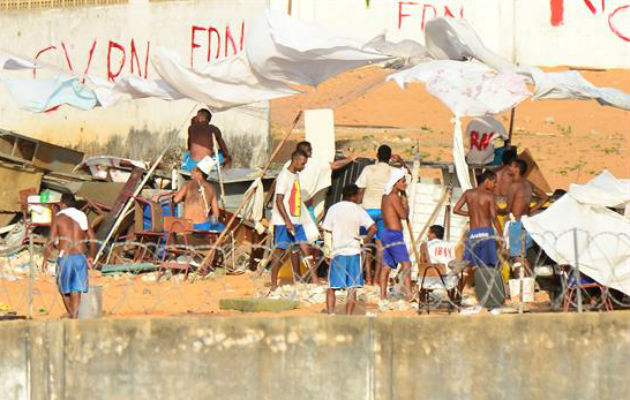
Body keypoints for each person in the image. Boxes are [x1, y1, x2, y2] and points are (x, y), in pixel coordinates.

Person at [321, 184, 376, 314]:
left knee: (332, 287)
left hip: (337, 252)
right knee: (352, 288)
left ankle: (330, 314)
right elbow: (373, 228)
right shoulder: (358, 210)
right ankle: (348, 317)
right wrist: (364, 241)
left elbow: (327, 231)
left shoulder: (333, 209)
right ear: (354, 196)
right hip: (354, 252)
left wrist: (327, 252)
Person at [270, 150, 320, 290]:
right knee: (280, 251)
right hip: (283, 221)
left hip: (296, 220)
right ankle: (274, 282)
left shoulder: (296, 175)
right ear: (295, 160)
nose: (304, 166)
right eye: (303, 163)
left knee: (303, 248)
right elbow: (279, 200)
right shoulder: (284, 176)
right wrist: (287, 221)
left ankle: (313, 280)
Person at [355, 145, 404, 285]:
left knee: (366, 243)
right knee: (380, 246)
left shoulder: (368, 169)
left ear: (377, 155)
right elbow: (408, 176)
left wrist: (357, 206)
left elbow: (360, 191)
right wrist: (401, 162)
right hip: (384, 211)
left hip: (367, 211)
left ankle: (368, 279)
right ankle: (377, 278)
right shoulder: (394, 171)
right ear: (390, 157)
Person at [42, 193, 96, 319]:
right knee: (76, 291)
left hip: (65, 257)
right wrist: (91, 256)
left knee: (63, 290)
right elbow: (93, 238)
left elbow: (51, 240)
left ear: (62, 204)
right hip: (81, 256)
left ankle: (72, 316)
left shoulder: (59, 218)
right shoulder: (82, 215)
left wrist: (45, 258)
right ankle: (74, 318)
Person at [501, 158, 549, 265]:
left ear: (517, 169)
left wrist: (496, 210)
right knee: (523, 256)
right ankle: (527, 278)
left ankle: (525, 279)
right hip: (526, 223)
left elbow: (508, 209)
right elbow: (544, 197)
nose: (509, 168)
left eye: (512, 166)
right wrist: (531, 210)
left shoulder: (514, 185)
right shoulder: (528, 184)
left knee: (517, 257)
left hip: (516, 224)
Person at [454, 170, 502, 268]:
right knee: (488, 265)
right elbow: (494, 218)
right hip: (486, 232)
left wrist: (470, 214)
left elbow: (456, 210)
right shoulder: (489, 196)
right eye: (494, 182)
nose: (495, 185)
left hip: (473, 233)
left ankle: (462, 283)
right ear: (487, 181)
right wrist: (501, 235)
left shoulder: (468, 193)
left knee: (468, 264)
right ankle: (485, 283)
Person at [379, 168, 413, 300]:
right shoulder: (394, 197)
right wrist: (406, 203)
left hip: (386, 233)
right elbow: (403, 215)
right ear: (396, 182)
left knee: (387, 266)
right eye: (403, 181)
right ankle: (409, 294)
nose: (405, 184)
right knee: (406, 264)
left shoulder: (385, 197)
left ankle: (382, 296)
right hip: (394, 235)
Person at [173, 156, 224, 232]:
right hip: (204, 226)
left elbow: (176, 200)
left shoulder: (188, 184)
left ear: (198, 171)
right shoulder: (211, 188)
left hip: (189, 225)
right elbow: (216, 214)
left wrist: (176, 197)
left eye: (193, 170)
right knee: (222, 228)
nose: (191, 172)